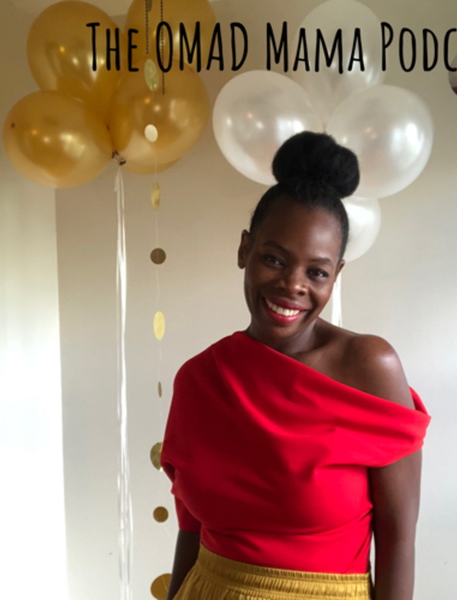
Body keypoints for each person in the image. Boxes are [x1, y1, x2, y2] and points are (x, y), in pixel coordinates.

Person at [160, 131, 431, 600]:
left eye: (316, 271)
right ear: (244, 249)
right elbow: (190, 528)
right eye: (273, 259)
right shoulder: (199, 379)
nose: (292, 285)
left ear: (336, 275)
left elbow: (398, 539)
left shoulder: (368, 368)